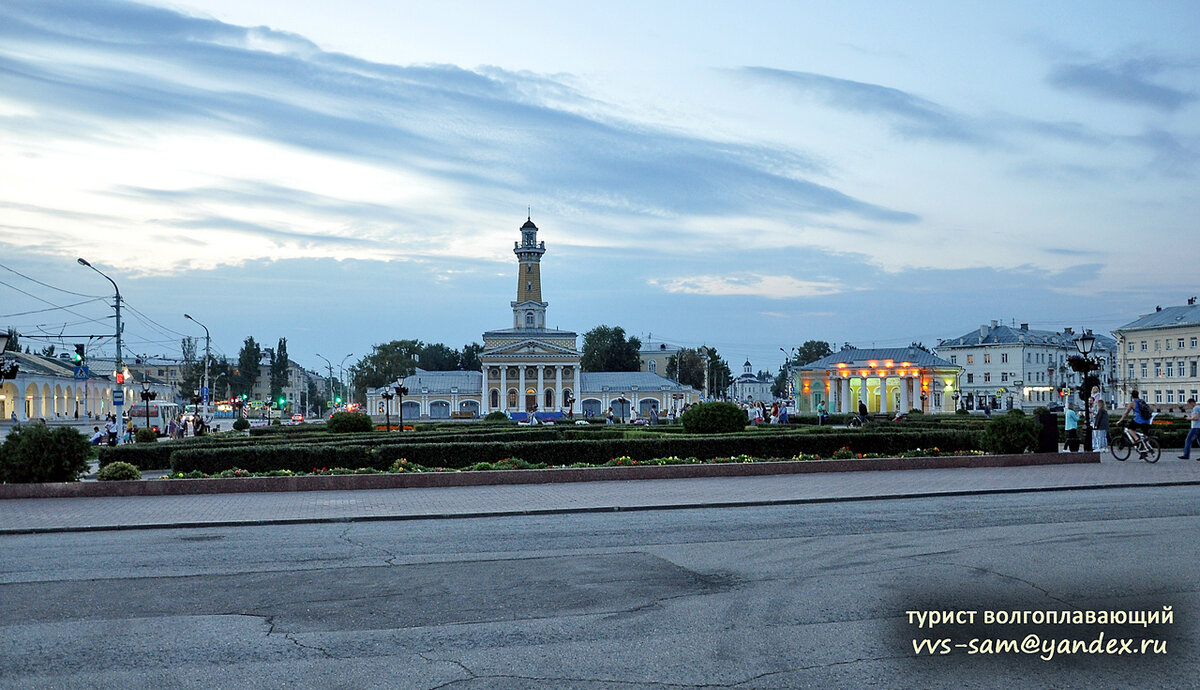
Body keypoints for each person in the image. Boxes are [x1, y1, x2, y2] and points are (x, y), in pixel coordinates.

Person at [1117, 390, 1154, 457]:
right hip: (1147, 420)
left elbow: (1126, 413)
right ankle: (1149, 448)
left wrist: (1120, 421)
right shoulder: (1142, 401)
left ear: (1132, 396)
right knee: (1145, 435)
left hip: (1139, 420)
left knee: (1130, 429)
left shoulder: (1132, 403)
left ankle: (1137, 439)